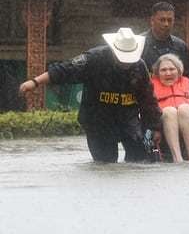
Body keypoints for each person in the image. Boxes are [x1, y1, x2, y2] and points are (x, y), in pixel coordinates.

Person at [19, 27, 162, 163]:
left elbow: (148, 100)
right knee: (105, 163)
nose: (126, 63)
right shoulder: (93, 59)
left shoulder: (139, 66)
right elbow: (64, 70)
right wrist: (34, 82)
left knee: (142, 159)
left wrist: (155, 128)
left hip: (129, 120)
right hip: (98, 120)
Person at [151, 53, 189, 164]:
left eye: (172, 69)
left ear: (178, 70)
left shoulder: (188, 85)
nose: (168, 73)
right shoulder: (151, 87)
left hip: (188, 118)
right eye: (163, 70)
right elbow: (147, 109)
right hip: (163, 121)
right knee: (169, 111)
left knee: (185, 108)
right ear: (157, 73)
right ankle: (178, 159)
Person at [141, 1, 189, 88]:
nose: (166, 24)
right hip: (146, 98)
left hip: (175, 98)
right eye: (162, 20)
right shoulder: (139, 44)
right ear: (152, 20)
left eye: (169, 20)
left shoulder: (181, 47)